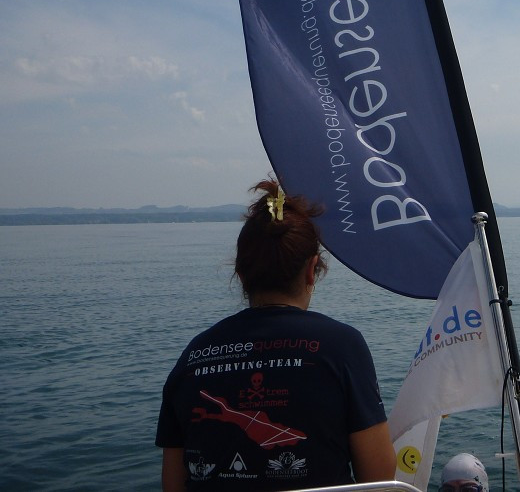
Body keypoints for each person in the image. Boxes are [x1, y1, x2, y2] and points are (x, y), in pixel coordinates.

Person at [155, 178, 396, 491]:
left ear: (241, 274)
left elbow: (173, 484)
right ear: (313, 269)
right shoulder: (342, 346)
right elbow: (378, 477)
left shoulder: (194, 354)